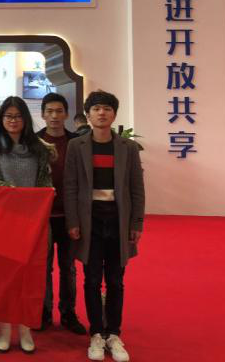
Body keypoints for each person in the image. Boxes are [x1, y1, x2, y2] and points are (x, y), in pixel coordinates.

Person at [64, 90, 145, 362]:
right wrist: (73, 221)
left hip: (118, 220)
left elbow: (136, 187)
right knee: (91, 279)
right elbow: (71, 186)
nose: (102, 113)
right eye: (96, 108)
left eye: (107, 109)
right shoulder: (76, 146)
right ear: (88, 114)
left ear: (114, 114)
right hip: (90, 221)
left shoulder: (127, 147)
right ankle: (96, 333)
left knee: (116, 280)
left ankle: (114, 333)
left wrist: (137, 222)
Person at [0, 96, 54, 355]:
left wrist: (45, 193)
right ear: (1, 118)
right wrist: (3, 188)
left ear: (25, 119)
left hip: (32, 223)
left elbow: (45, 181)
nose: (13, 121)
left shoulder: (40, 148)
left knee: (28, 278)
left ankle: (25, 329)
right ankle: (4, 329)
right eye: (8, 116)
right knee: (2, 278)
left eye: (18, 116)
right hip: (1, 222)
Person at [36, 93, 87, 334]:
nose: (54, 116)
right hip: (42, 216)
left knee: (68, 267)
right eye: (50, 111)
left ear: (66, 114)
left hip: (69, 215)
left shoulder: (76, 142)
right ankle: (43, 312)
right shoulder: (34, 142)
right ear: (43, 114)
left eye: (59, 111)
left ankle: (68, 313)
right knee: (43, 267)